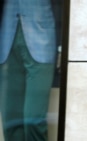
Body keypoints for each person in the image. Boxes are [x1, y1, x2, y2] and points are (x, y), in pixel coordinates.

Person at [0, 0, 58, 141]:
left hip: (42, 41)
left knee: (33, 120)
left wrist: (62, 46)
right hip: (7, 41)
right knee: (10, 121)